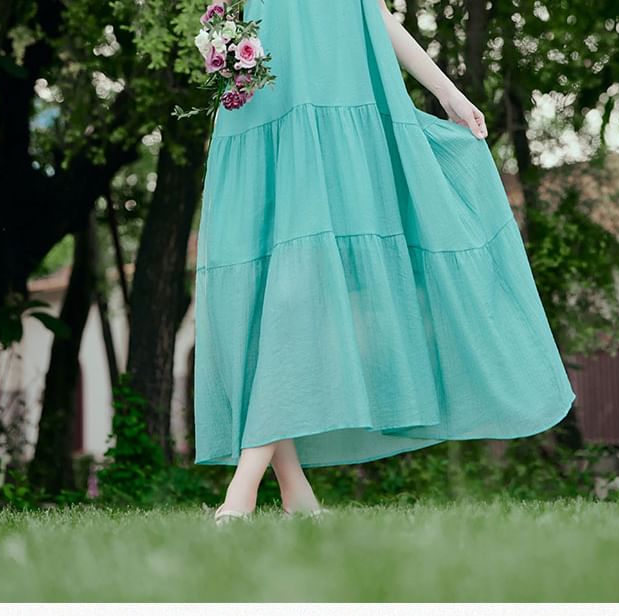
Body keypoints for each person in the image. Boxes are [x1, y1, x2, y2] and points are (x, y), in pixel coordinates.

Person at [193, 0, 576, 524]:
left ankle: (242, 494)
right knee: (274, 296)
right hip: (263, 110)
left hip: (332, 109)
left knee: (293, 296)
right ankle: (295, 496)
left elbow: (376, 16)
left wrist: (449, 93)